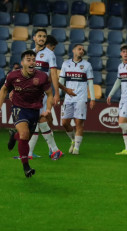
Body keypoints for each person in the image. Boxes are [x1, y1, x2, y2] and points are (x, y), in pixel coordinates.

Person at [0, 50, 52, 177]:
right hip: (19, 108)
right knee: (24, 134)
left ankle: (14, 136)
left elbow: (50, 94)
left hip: (34, 110)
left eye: (34, 60)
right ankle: (26, 167)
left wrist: (49, 108)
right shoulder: (13, 76)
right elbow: (4, 88)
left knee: (25, 138)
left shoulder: (42, 77)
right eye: (29, 60)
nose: (32, 62)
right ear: (22, 63)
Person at [25, 29, 73, 160]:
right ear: (34, 38)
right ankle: (32, 153)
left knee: (40, 119)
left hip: (42, 92)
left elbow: (53, 74)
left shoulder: (49, 54)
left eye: (44, 36)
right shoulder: (30, 53)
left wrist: (57, 93)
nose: (41, 38)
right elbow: (25, 72)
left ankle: (54, 150)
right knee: (37, 122)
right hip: (30, 93)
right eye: (39, 36)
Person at [59, 44, 95, 155]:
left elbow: (90, 82)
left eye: (83, 50)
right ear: (73, 50)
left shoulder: (87, 65)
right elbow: (61, 81)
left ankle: (76, 149)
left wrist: (92, 98)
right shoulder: (66, 64)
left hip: (81, 97)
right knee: (65, 122)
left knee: (79, 122)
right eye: (79, 49)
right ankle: (73, 140)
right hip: (68, 98)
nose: (81, 51)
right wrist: (57, 95)